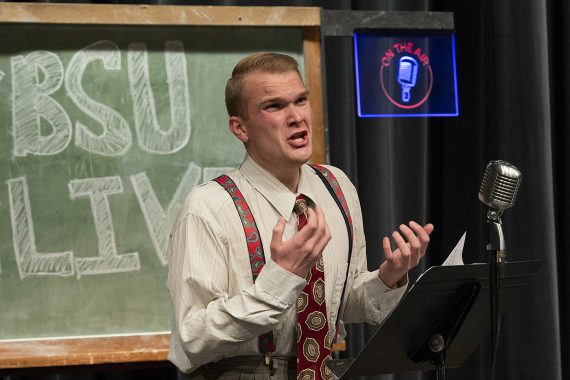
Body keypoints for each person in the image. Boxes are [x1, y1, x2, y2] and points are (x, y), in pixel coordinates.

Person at [166, 52, 434, 379]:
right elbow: (192, 338)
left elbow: (344, 302)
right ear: (240, 128)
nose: (296, 117)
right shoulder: (209, 206)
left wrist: (388, 277)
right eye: (274, 106)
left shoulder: (336, 187)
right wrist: (278, 280)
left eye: (300, 100)